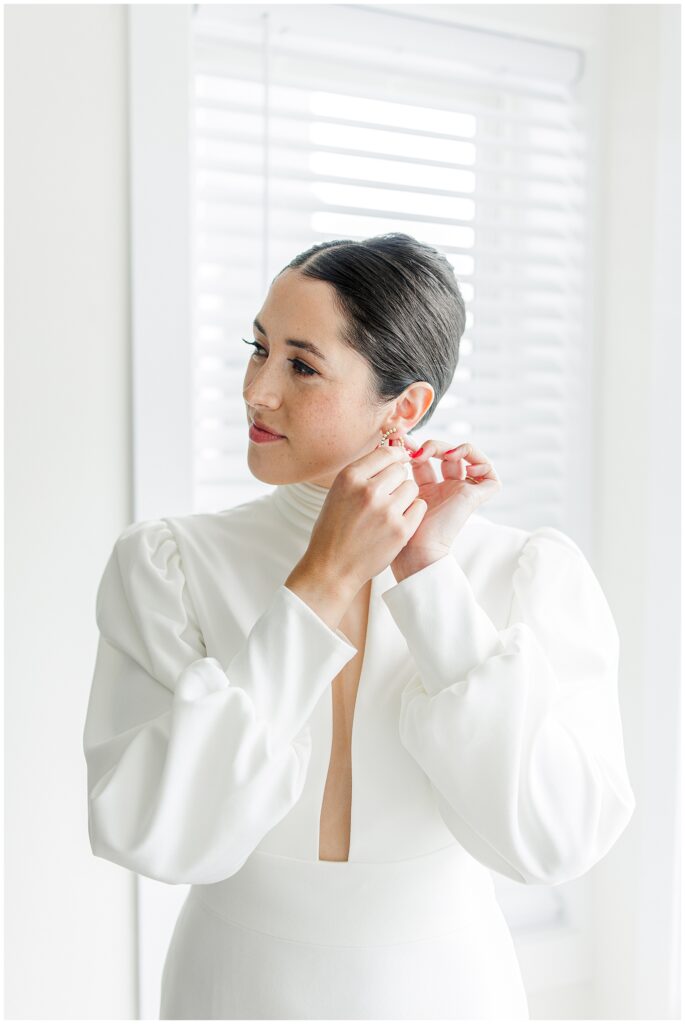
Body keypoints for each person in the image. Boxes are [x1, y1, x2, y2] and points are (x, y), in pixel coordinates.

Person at [82, 232, 636, 1020]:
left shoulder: (522, 576)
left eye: (301, 365)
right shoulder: (170, 563)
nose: (257, 390)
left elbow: (553, 843)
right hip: (229, 990)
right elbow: (150, 835)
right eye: (258, 348)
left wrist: (427, 578)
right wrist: (321, 582)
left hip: (450, 993)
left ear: (405, 407)